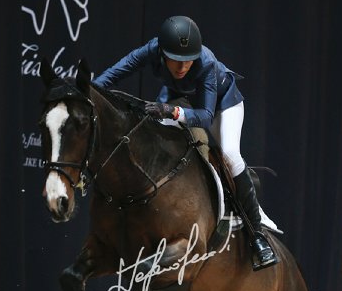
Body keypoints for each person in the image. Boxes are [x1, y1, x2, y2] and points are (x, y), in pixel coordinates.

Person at [93, 15, 278, 270]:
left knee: (230, 155)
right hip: (181, 97)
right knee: (153, 134)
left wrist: (172, 111)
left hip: (221, 105)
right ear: (162, 52)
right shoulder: (152, 49)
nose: (182, 67)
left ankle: (257, 237)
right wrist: (89, 91)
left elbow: (205, 117)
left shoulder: (206, 63)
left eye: (188, 60)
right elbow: (118, 71)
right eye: (175, 59)